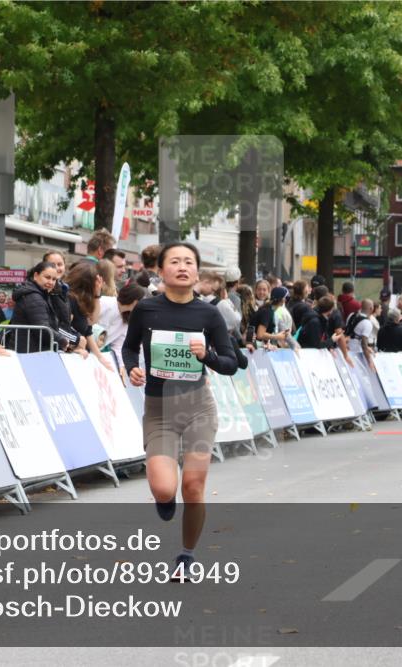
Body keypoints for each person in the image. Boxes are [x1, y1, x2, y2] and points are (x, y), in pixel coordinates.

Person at [121, 241, 238, 580]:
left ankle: (186, 556)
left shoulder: (209, 314)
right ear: (160, 270)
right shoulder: (146, 309)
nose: (182, 267)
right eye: (174, 261)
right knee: (163, 488)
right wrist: (132, 368)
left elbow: (230, 363)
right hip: (159, 410)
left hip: (198, 407)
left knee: (194, 485)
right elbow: (129, 348)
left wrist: (207, 356)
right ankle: (165, 498)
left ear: (197, 272)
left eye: (189, 262)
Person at [12, 261, 73, 353]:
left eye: (54, 279)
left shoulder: (41, 294)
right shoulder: (34, 297)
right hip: (30, 353)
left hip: (32, 351)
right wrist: (62, 340)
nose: (51, 282)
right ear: (36, 275)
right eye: (47, 277)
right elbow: (43, 328)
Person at [64, 261, 114, 370]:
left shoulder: (83, 300)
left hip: (80, 356)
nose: (98, 283)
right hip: (69, 357)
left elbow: (90, 325)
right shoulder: (69, 299)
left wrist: (100, 357)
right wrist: (74, 347)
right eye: (95, 281)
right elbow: (62, 329)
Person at [99, 281, 147, 356]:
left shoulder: (126, 320)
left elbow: (119, 346)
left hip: (95, 354)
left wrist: (123, 364)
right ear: (135, 302)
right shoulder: (105, 302)